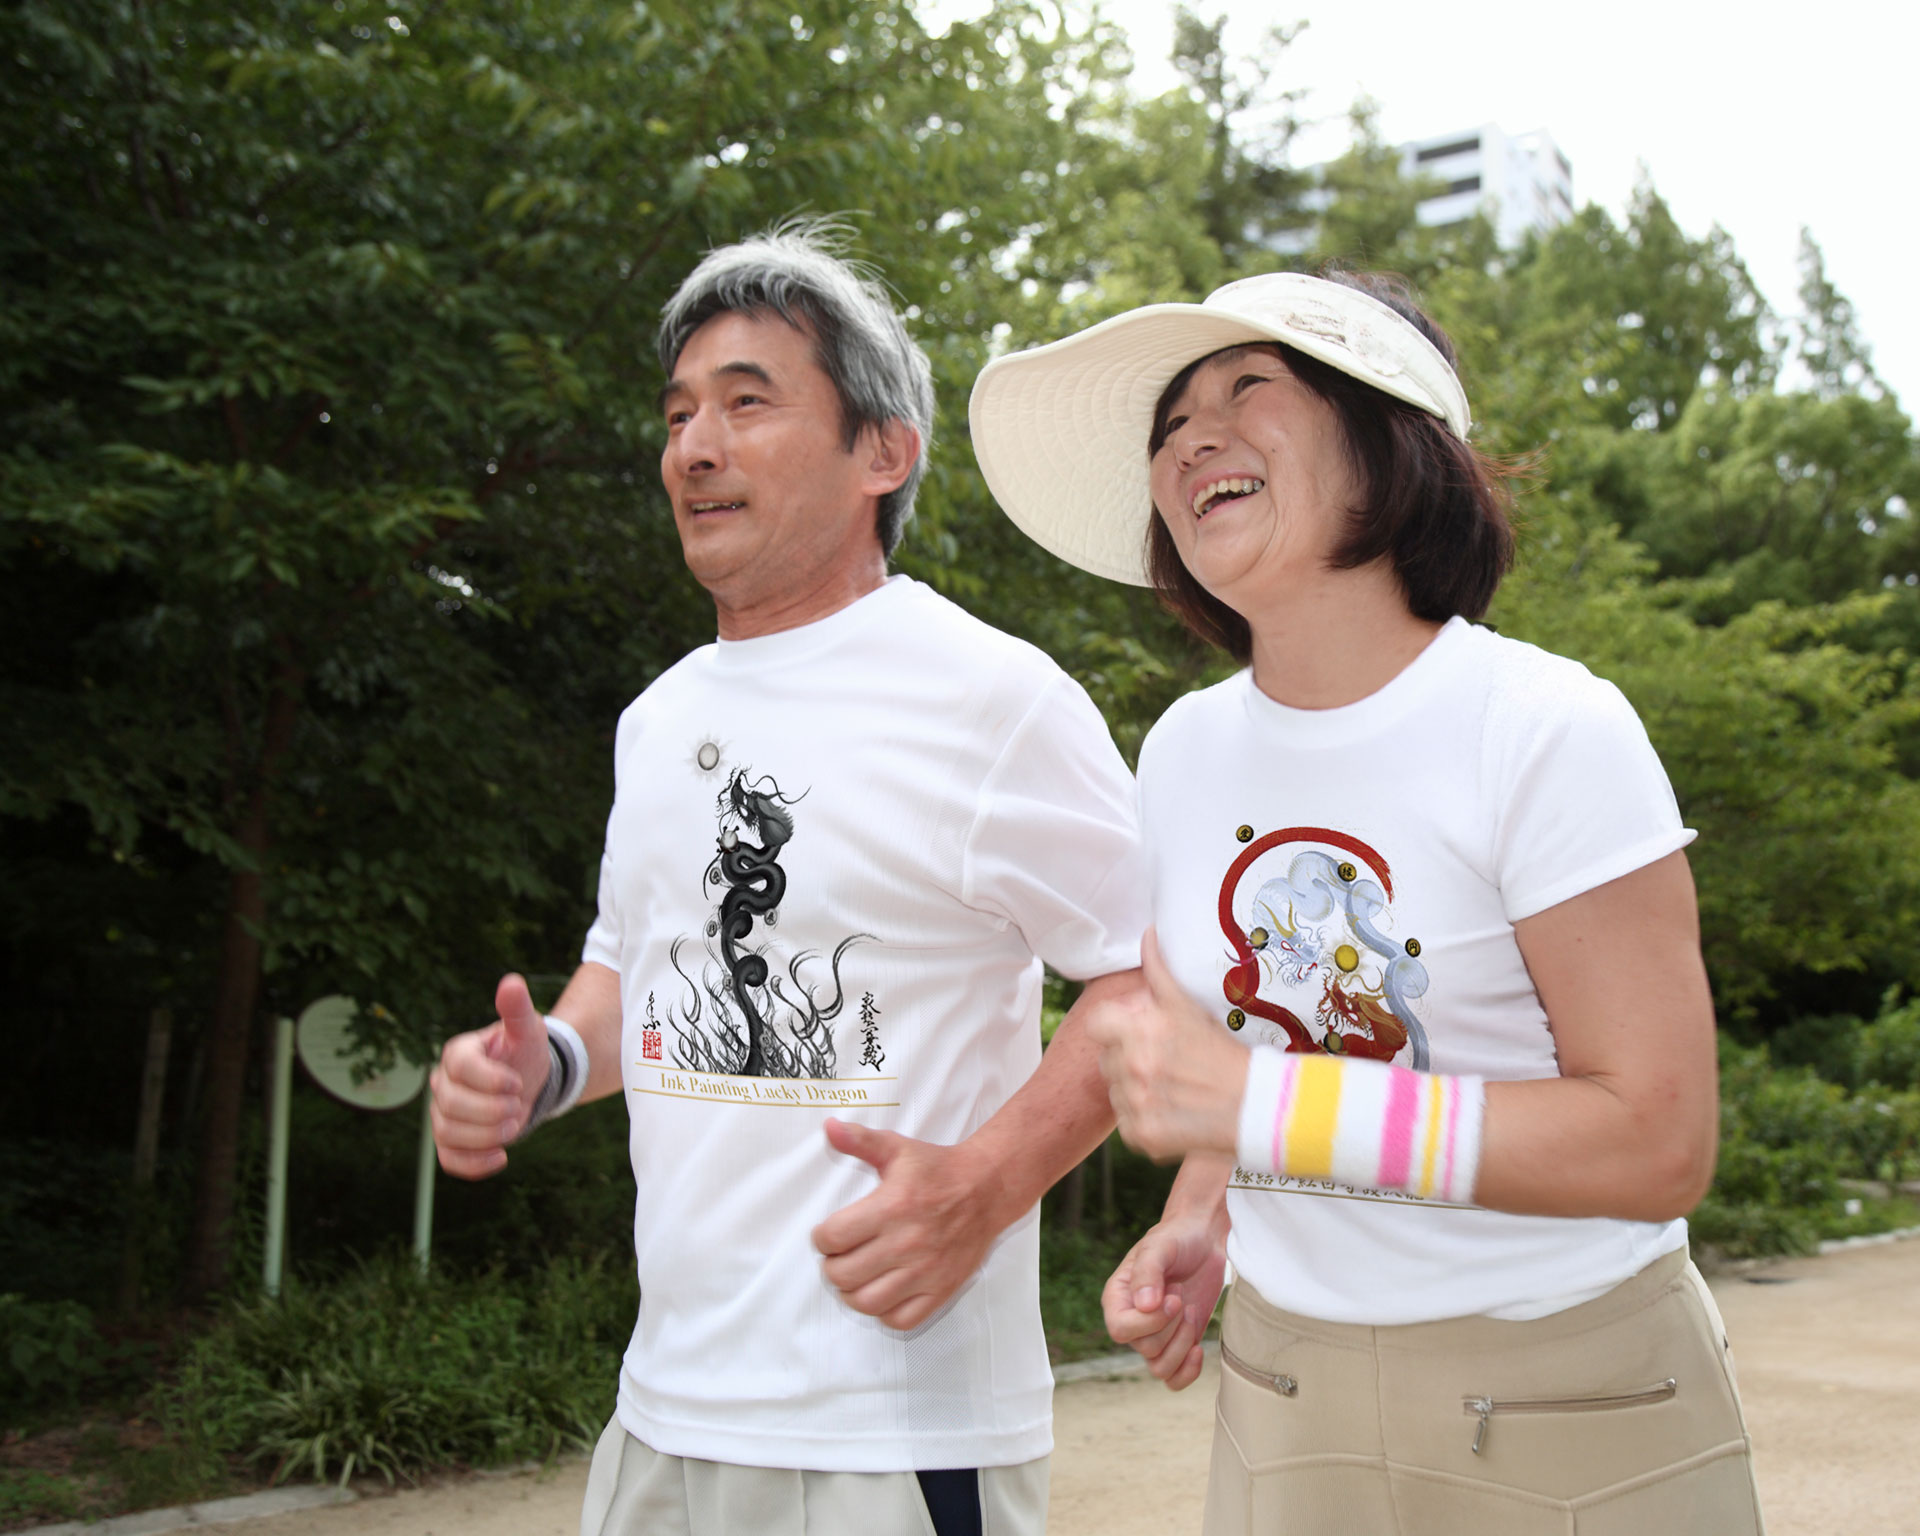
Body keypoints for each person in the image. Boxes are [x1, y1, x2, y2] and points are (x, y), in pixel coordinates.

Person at [967, 270, 1765, 1533]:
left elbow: (1659, 1141)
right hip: (1285, 1395)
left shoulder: (1545, 727)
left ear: (1385, 437)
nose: (1192, 441)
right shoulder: (1180, 752)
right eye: (1169, 426)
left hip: (1575, 1400)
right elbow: (1240, 1056)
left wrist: (1265, 1108)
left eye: (1248, 387)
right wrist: (1202, 1218)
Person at [429, 224, 1147, 1536]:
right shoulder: (658, 718)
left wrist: (988, 1182)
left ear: (884, 453)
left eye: (748, 403)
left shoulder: (992, 698)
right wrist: (547, 1067)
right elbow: (634, 969)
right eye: (678, 414)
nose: (694, 448)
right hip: (662, 1417)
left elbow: (1152, 979)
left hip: (893, 1436)